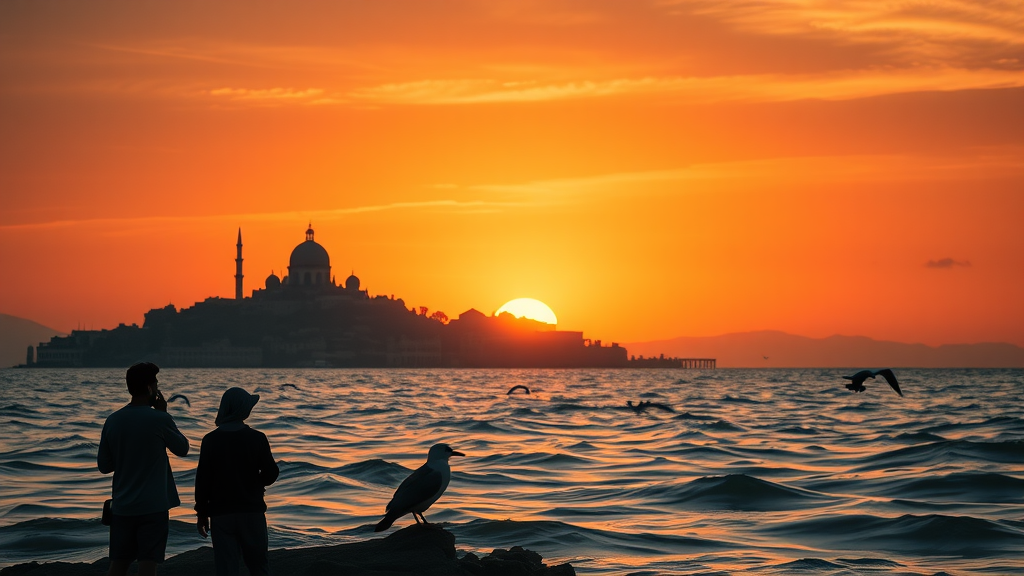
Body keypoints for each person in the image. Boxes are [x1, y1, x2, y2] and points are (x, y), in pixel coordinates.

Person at [98, 362, 190, 576]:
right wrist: (165, 415)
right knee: (148, 563)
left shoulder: (112, 420)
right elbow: (183, 448)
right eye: (156, 383)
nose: (157, 387)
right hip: (153, 506)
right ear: (150, 388)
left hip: (122, 507)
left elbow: (104, 466)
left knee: (119, 563)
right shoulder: (160, 419)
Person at [195, 387, 280, 576]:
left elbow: (203, 480)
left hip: (221, 513)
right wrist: (258, 483)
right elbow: (272, 472)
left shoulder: (210, 440)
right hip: (251, 511)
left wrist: (201, 513)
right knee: (258, 567)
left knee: (226, 569)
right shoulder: (257, 438)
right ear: (243, 410)